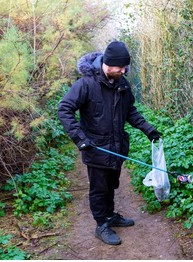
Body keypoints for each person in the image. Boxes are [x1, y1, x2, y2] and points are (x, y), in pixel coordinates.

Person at [58, 41, 161, 245]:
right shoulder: (86, 84)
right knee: (99, 188)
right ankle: (101, 225)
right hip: (95, 149)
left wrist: (148, 129)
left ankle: (110, 215)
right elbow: (64, 109)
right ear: (107, 62)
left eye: (125, 67)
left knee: (112, 185)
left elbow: (130, 110)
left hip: (116, 147)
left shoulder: (122, 83)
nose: (123, 71)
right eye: (120, 67)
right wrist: (80, 139)